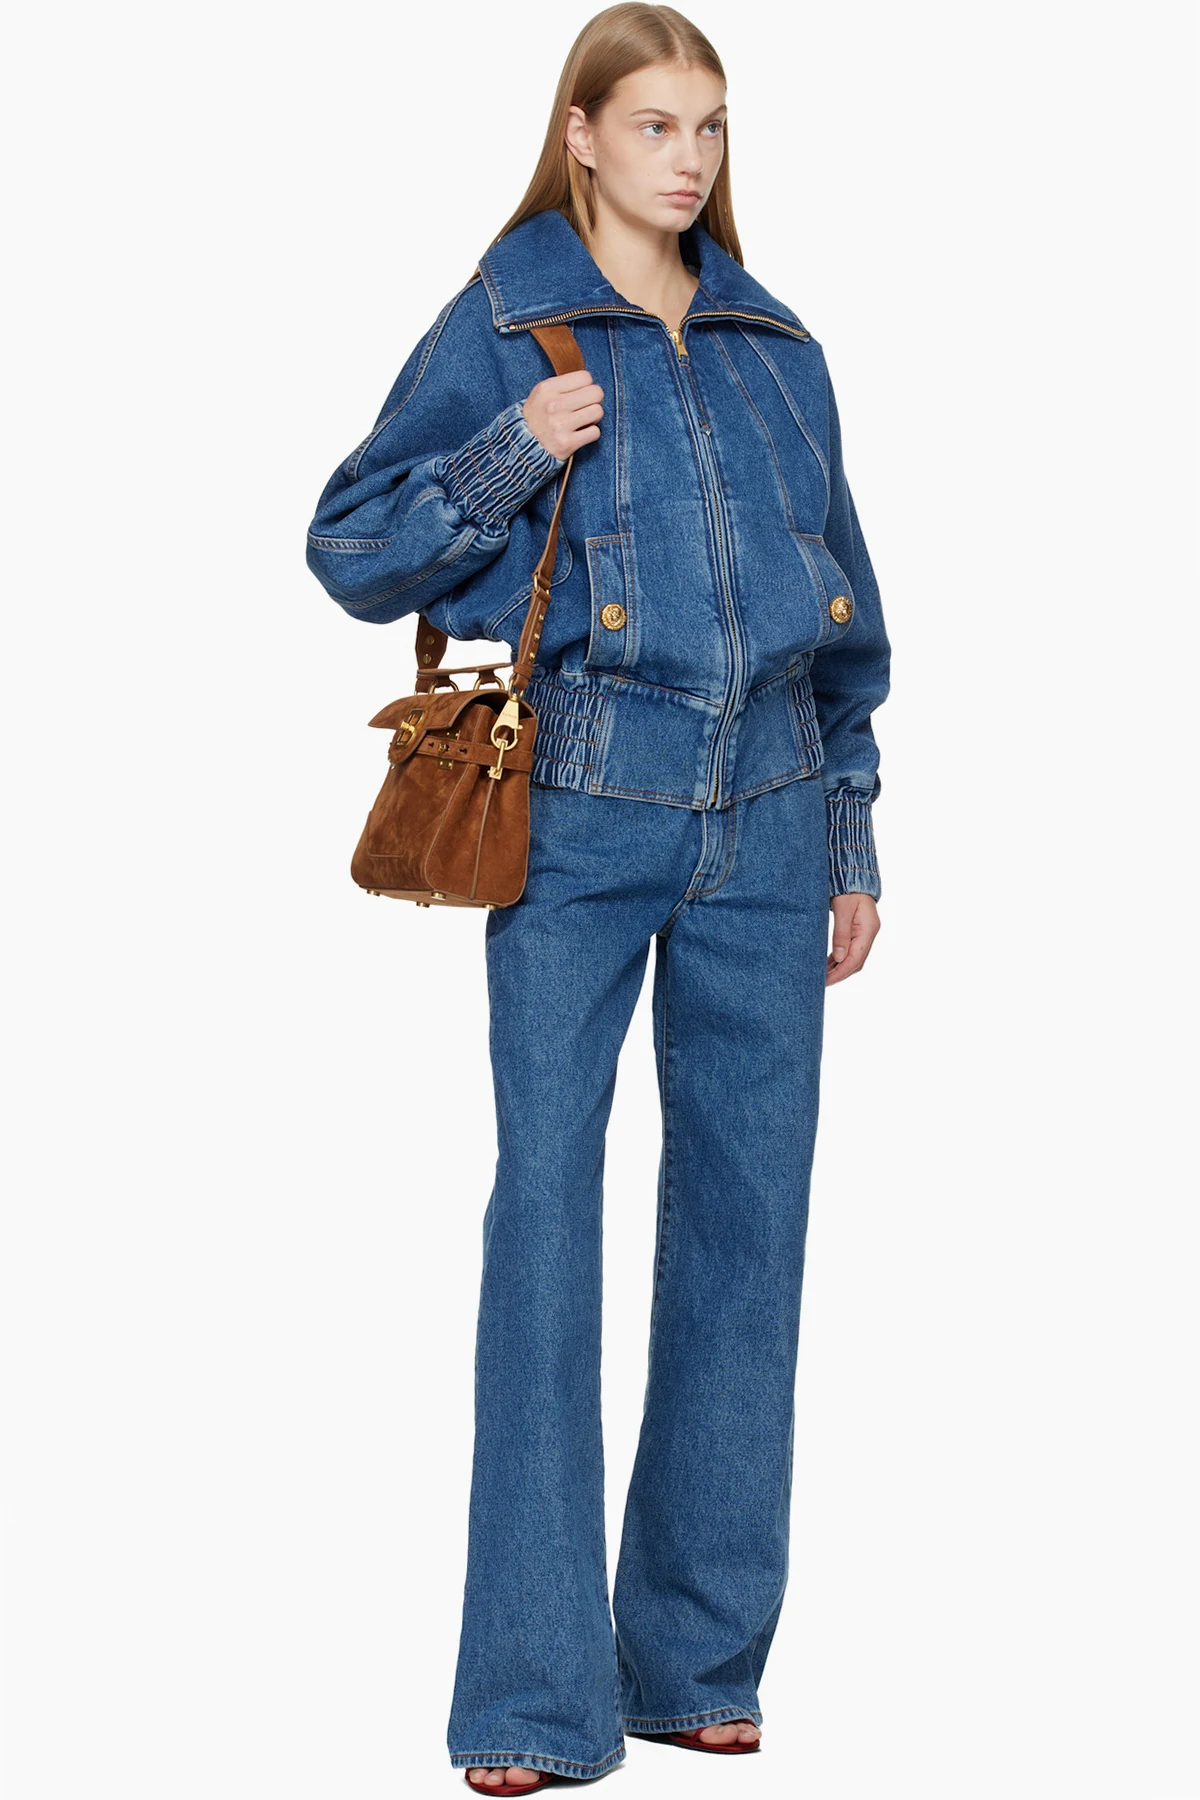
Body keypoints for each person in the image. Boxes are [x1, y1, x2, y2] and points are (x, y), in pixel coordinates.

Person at [305, 4, 890, 1789]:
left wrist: (851, 840)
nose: (688, 159)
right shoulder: (506, 325)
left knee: (749, 1238)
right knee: (547, 1227)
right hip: (578, 814)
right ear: (579, 135)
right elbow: (352, 544)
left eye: (709, 127)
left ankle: (697, 1658)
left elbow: (847, 618)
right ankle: (535, 1701)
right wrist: (512, 451)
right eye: (653, 125)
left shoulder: (777, 346)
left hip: (770, 828)